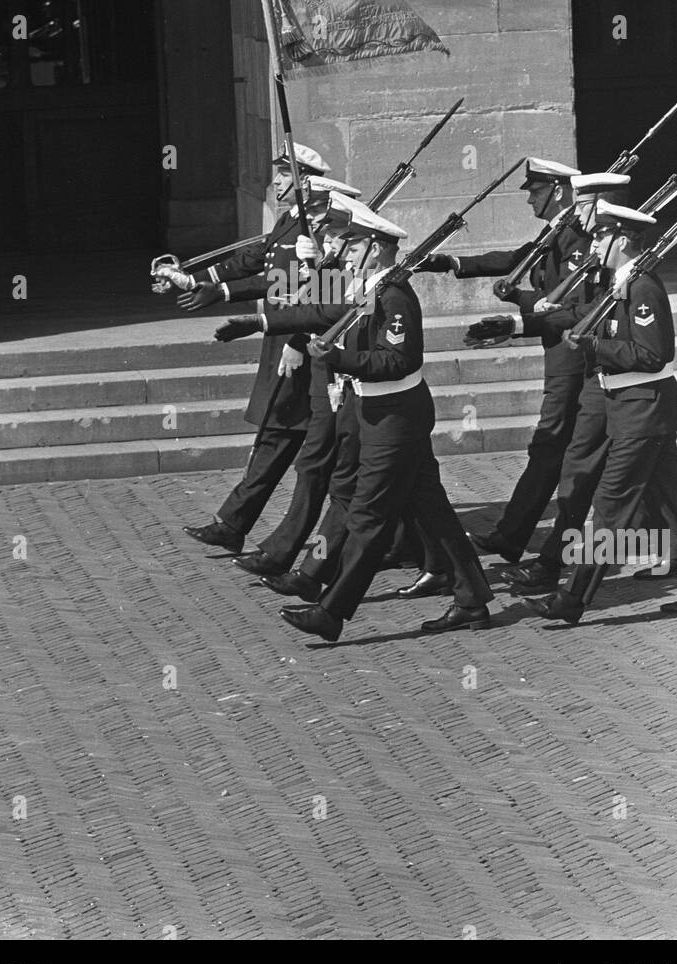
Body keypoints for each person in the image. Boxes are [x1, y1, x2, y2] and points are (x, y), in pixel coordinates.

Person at [268, 201, 492, 642]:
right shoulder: (370, 289)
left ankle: (331, 612)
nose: (344, 254)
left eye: (352, 246)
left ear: (375, 248)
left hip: (396, 418)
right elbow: (325, 315)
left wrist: (337, 358)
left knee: (367, 516)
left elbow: (397, 359)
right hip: (378, 413)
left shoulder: (393, 296)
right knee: (432, 510)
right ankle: (472, 599)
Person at [533, 201, 677, 625]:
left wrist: (594, 348)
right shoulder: (620, 282)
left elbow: (654, 353)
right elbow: (591, 317)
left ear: (622, 239)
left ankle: (571, 599)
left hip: (643, 407)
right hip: (631, 407)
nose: (596, 241)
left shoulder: (642, 288)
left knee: (610, 505)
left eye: (603, 235)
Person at [418, 157, 587, 564]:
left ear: (558, 191)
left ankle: (515, 538)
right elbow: (517, 258)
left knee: (553, 447)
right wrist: (452, 263)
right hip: (561, 351)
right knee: (565, 450)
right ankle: (512, 536)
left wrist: (517, 309)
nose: (529, 200)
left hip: (572, 354)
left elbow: (569, 306)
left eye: (536, 191)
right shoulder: (556, 232)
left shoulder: (576, 237)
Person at [182, 143, 330, 553]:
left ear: (306, 180)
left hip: (300, 343)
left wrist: (299, 341)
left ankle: (402, 537)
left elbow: (317, 289)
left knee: (297, 443)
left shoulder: (318, 228)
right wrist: (194, 280)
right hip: (281, 338)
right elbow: (255, 261)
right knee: (278, 434)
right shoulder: (289, 220)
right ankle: (233, 522)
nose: (275, 182)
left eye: (285, 176)